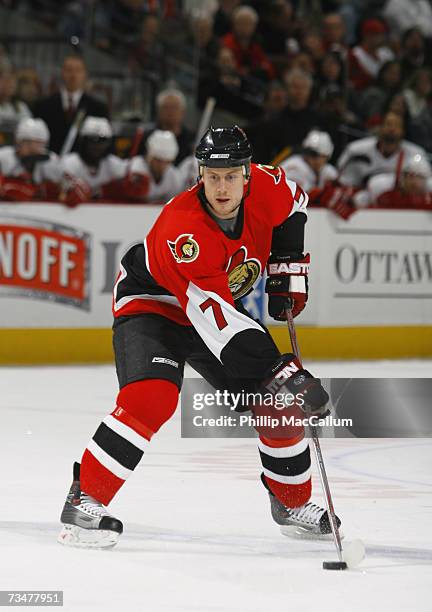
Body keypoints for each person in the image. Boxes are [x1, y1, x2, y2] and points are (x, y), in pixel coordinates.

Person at [58, 126, 339, 548]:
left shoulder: (269, 185)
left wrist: (287, 263)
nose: (221, 187)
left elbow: (296, 203)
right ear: (199, 175)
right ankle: (85, 500)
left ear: (247, 174)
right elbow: (221, 323)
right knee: (150, 398)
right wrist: (282, 371)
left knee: (276, 402)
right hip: (154, 306)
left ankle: (291, 502)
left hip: (214, 305)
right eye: (212, 176)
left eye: (230, 176)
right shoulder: (183, 230)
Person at [58, 116, 148, 207]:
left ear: (109, 143)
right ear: (83, 141)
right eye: (92, 140)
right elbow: (62, 193)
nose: (97, 146)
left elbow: (131, 177)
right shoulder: (70, 163)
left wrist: (134, 181)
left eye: (102, 141)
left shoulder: (113, 164)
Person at [32, 55, 109, 154]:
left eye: (78, 70)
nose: (73, 75)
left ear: (85, 74)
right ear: (62, 73)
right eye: (69, 70)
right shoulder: (42, 106)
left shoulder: (98, 108)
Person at [337, 111, 428, 188]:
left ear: (403, 131)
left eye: (396, 125)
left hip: (402, 205)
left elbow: (426, 183)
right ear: (380, 127)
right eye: (388, 124)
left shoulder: (416, 154)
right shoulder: (356, 150)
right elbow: (343, 182)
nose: (392, 129)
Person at [0, 117, 59, 201]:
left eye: (39, 143)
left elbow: (60, 191)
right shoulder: (3, 157)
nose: (34, 148)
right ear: (18, 141)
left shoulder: (51, 160)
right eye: (27, 142)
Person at [129, 129, 183, 203]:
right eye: (158, 160)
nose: (162, 166)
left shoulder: (174, 177)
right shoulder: (135, 169)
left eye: (167, 162)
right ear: (149, 157)